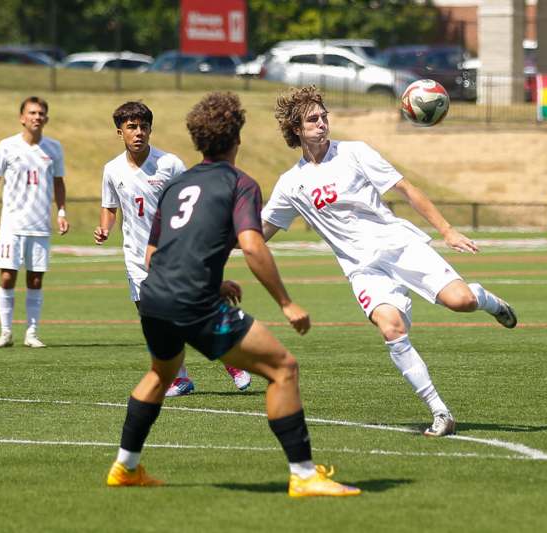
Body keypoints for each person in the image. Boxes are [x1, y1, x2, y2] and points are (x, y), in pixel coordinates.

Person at [106, 91, 360, 498]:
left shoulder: (178, 183)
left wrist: (208, 279)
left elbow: (153, 252)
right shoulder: (240, 183)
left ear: (198, 140)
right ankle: (305, 475)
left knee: (160, 373)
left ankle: (125, 468)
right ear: (236, 139)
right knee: (283, 369)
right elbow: (253, 244)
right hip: (191, 300)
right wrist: (286, 302)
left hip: (154, 295)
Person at [262, 86, 517, 437]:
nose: (322, 124)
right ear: (295, 130)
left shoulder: (355, 153)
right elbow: (260, 231)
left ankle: (485, 299)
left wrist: (447, 231)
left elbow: (406, 189)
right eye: (312, 119)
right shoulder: (291, 184)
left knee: (461, 302)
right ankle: (440, 412)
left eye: (324, 116)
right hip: (362, 269)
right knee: (390, 328)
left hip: (400, 246)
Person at [93, 101, 251, 396]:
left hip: (174, 251)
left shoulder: (170, 164)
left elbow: (190, 201)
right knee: (152, 318)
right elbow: (110, 207)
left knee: (194, 311)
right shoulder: (112, 170)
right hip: (136, 256)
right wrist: (105, 227)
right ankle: (180, 379)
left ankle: (233, 361)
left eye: (144, 127)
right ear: (120, 132)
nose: (138, 132)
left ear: (151, 129)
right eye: (132, 127)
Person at [0, 96, 69, 349]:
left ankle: (32, 333)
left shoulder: (54, 148)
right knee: (7, 277)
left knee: (36, 279)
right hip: (12, 224)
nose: (37, 117)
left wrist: (61, 212)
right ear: (22, 118)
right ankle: (6, 332)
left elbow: (59, 182)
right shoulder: (6, 146)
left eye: (41, 113)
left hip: (40, 224)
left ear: (46, 119)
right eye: (32, 113)